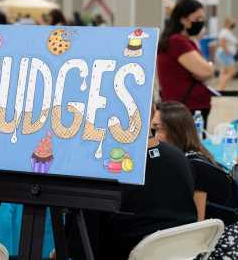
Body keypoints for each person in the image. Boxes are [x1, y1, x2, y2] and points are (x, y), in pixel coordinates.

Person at [66, 103, 197, 258]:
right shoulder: (180, 158)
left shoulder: (102, 169)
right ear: (153, 111)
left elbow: (79, 247)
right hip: (181, 254)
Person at [153, 101, 238, 260]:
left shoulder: (194, 166)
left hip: (226, 244)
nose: (154, 136)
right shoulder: (191, 156)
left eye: (157, 129)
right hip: (214, 238)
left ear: (175, 130)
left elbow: (197, 226)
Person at [157, 0, 214, 127]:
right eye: (197, 19)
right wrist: (209, 68)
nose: (201, 22)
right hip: (186, 109)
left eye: (202, 18)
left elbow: (203, 72)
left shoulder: (182, 41)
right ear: (183, 20)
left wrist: (205, 70)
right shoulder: (178, 42)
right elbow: (206, 71)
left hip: (188, 107)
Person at [216, 16, 238, 90]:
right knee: (232, 71)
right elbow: (223, 42)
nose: (234, 24)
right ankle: (222, 87)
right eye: (232, 22)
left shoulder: (228, 32)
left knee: (224, 71)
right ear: (228, 23)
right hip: (225, 54)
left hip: (226, 54)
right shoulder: (225, 32)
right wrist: (227, 52)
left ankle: (222, 88)